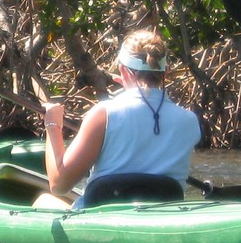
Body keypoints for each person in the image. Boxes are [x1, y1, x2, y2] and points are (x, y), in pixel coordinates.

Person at [39, 29, 202, 207]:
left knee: (44, 200)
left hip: (101, 221)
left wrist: (52, 124)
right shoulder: (190, 121)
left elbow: (59, 184)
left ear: (123, 70)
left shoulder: (104, 113)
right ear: (165, 73)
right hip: (161, 221)